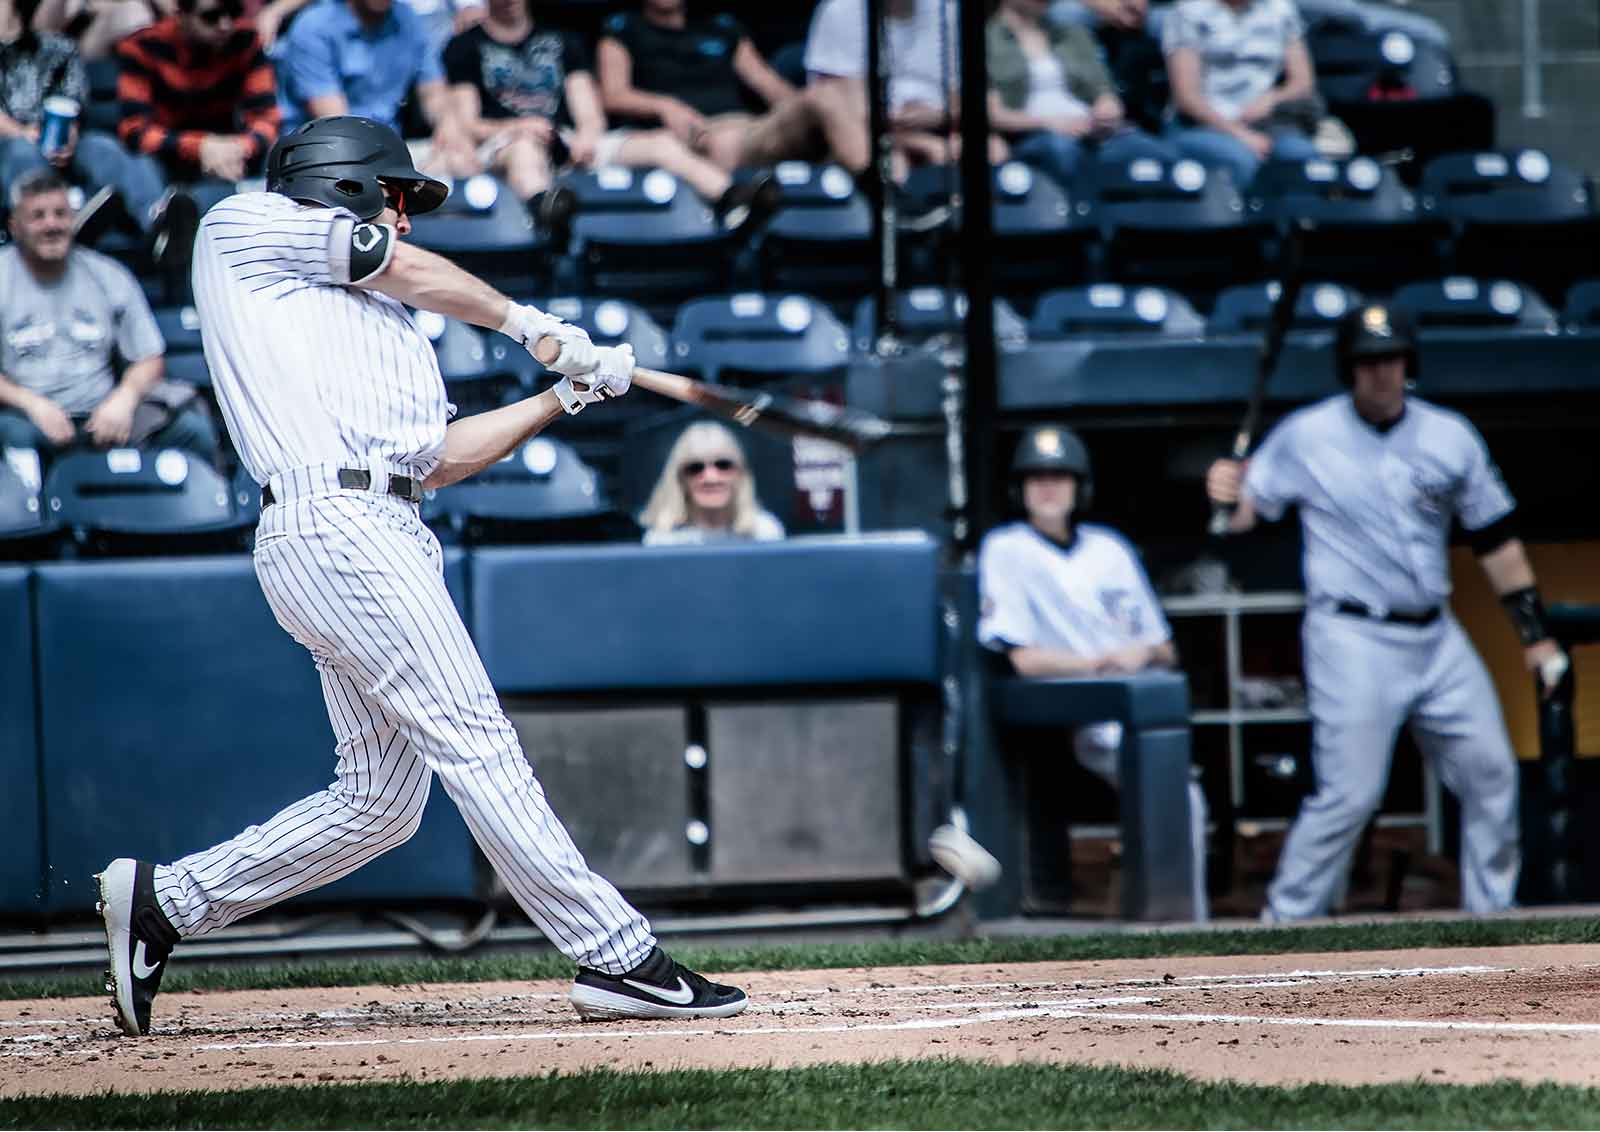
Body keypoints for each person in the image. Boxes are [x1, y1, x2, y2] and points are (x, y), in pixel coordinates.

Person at [94, 114, 747, 1038]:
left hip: (380, 525)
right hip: (335, 522)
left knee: (380, 804)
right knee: (477, 739)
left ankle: (171, 902)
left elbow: (438, 457)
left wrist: (564, 395)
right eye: (396, 197)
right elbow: (398, 263)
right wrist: (534, 326)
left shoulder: (388, 326)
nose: (405, 217)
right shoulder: (244, 228)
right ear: (345, 185)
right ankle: (616, 955)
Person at [1205, 303, 1567, 922]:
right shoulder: (1307, 434)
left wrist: (1536, 639)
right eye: (1368, 362)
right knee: (1350, 794)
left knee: (1491, 773)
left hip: (1434, 633)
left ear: (1409, 363)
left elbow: (1496, 542)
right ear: (1350, 369)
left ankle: (1492, 919)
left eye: (1391, 359)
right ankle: (1285, 921)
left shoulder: (1448, 436)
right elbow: (1243, 517)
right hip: (1350, 634)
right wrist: (1226, 492)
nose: (1381, 373)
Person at [979, 424, 1209, 919]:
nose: (1047, 487)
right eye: (1036, 477)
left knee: (1186, 796)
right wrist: (1093, 664)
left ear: (1079, 486)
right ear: (1019, 488)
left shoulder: (1110, 548)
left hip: (1136, 699)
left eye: (1059, 476)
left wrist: (1138, 656)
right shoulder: (1007, 547)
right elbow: (1021, 658)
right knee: (1173, 791)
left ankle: (1186, 924)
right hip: (1077, 708)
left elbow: (1165, 648)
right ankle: (1168, 922)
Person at [0, 168, 217, 460]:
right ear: (15, 226)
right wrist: (33, 406)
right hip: (25, 416)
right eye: (38, 216)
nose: (52, 225)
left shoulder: (108, 275)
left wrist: (124, 400)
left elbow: (149, 358)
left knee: (192, 431)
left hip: (103, 414)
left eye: (60, 214)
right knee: (14, 436)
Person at [597, 0, 859, 184]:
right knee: (721, 142)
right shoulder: (623, 29)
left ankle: (875, 188)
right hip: (682, 137)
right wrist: (665, 106)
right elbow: (614, 94)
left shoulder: (722, 27)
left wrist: (802, 109)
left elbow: (767, 83)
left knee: (830, 98)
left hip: (745, 128)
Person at [804, 0, 1008, 179]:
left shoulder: (949, 11)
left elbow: (968, 97)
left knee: (995, 150)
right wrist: (916, 142)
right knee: (893, 163)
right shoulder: (840, 10)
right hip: (867, 132)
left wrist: (940, 116)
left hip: (938, 127)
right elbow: (836, 105)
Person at [113, 0, 282, 216]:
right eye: (211, 16)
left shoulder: (246, 39)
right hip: (166, 152)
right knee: (125, 157)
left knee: (280, 149)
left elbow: (266, 118)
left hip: (228, 151)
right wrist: (200, 147)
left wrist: (240, 146)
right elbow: (135, 130)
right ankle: (158, 225)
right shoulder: (143, 46)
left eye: (234, 12)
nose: (225, 25)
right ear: (181, 14)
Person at [436, 0, 598, 223]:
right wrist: (520, 126)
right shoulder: (464, 46)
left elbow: (589, 112)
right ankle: (545, 209)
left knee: (659, 144)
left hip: (562, 140)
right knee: (525, 148)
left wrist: (586, 139)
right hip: (498, 144)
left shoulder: (564, 40)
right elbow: (469, 125)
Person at [987, 0, 1174, 191]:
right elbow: (994, 114)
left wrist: (1107, 111)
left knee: (1162, 157)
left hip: (1090, 131)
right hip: (1034, 135)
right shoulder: (989, 41)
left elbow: (1104, 92)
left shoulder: (1072, 34)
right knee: (1063, 151)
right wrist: (1055, 123)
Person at [1162, 0, 1320, 189]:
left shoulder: (1279, 8)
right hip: (1202, 125)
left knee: (1299, 154)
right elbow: (1187, 97)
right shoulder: (1188, 12)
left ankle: (1299, 217)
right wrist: (1240, 135)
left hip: (1269, 123)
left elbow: (1303, 83)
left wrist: (1271, 100)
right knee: (1240, 160)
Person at [275, 0, 452, 141]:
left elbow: (433, 93)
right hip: (319, 153)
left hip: (389, 147)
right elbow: (337, 124)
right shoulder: (313, 27)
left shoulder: (408, 19)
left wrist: (447, 128)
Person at [638, 420, 783, 546]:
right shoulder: (661, 540)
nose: (711, 478)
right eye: (695, 468)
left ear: (740, 474)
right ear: (679, 479)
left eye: (723, 465)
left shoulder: (765, 532)